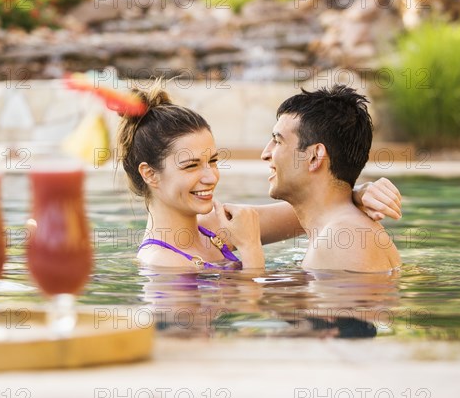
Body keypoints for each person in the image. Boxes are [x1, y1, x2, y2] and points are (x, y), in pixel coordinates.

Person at [117, 82, 402, 271]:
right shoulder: (163, 261)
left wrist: (357, 190)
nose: (210, 177)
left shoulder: (216, 225)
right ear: (150, 175)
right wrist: (251, 249)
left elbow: (321, 206)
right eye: (191, 165)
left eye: (213, 161)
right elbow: (250, 309)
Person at [254, 85, 401, 272]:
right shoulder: (341, 229)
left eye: (278, 140)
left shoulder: (343, 239)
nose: (265, 153)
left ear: (315, 156)